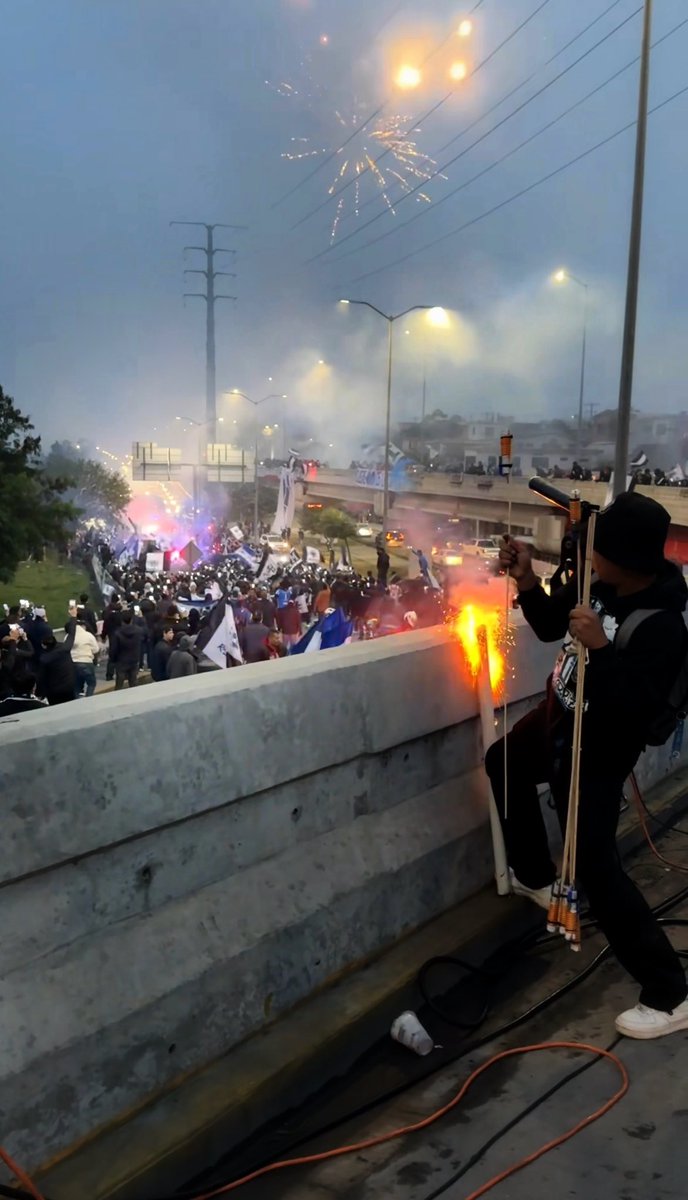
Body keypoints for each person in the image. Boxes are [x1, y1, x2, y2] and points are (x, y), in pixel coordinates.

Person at [488, 492, 688, 1039]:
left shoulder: (662, 625)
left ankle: (669, 991)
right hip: (559, 720)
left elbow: (633, 705)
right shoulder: (600, 585)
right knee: (502, 760)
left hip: (597, 748)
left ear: (625, 558)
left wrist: (601, 650)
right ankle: (537, 877)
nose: (589, 557)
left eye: (599, 550)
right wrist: (528, 580)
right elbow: (555, 625)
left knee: (600, 873)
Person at [38, 626, 77, 705]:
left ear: (44, 646)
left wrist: (40, 693)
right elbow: (71, 634)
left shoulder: (45, 659)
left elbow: (42, 677)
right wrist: (73, 617)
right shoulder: (65, 648)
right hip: (69, 687)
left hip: (54, 692)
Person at [70, 607, 100, 697]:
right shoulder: (88, 635)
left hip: (73, 662)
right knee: (91, 683)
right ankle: (89, 698)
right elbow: (96, 649)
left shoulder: (69, 635)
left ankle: (76, 701)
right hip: (86, 661)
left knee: (77, 686)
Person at [110, 610, 143, 690]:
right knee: (133, 683)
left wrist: (113, 659)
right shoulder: (139, 631)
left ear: (122, 620)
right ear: (131, 619)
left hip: (121, 660)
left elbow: (114, 649)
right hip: (134, 659)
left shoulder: (117, 633)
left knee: (119, 684)